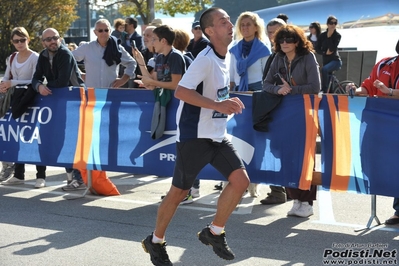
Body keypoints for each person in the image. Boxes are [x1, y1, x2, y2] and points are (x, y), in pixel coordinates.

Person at [141, 8, 250, 265]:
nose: (230, 24)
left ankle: (214, 232)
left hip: (216, 134)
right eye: (223, 22)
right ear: (210, 31)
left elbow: (215, 94)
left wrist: (226, 101)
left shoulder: (227, 57)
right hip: (194, 135)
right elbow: (181, 92)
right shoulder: (205, 59)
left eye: (229, 20)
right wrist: (219, 105)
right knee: (179, 193)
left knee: (241, 181)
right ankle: (155, 241)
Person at [263, 24, 321, 217]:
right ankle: (295, 199)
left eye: (289, 40)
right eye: (281, 40)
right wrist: (278, 90)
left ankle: (307, 202)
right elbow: (266, 84)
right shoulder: (277, 58)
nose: (285, 43)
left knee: (305, 158)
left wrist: (291, 90)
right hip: (283, 113)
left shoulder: (308, 57)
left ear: (297, 42)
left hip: (305, 112)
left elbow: (315, 86)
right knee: (285, 158)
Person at [346, 40, 399, 226]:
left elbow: (386, 90)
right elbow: (368, 86)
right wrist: (356, 89)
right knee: (388, 164)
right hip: (382, 125)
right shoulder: (385, 63)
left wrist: (390, 91)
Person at [31, 28, 86, 190]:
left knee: (72, 139)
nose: (52, 41)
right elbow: (36, 77)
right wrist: (38, 85)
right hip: (58, 100)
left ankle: (79, 178)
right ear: (43, 42)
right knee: (59, 138)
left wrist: (43, 86)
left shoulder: (65, 54)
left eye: (55, 38)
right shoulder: (42, 56)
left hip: (75, 99)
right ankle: (70, 178)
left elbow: (62, 82)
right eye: (48, 39)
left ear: (60, 39)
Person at [229, 11, 271, 197]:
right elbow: (230, 77)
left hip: (257, 96)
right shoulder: (234, 49)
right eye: (242, 24)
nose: (245, 27)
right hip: (238, 95)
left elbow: (266, 78)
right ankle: (236, 180)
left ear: (256, 27)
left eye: (248, 24)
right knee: (237, 140)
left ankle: (254, 182)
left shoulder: (263, 49)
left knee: (255, 141)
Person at [0, 27, 47, 188]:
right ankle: (19, 174)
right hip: (15, 99)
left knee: (36, 137)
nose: (19, 43)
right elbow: (7, 76)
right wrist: (4, 85)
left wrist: (11, 83)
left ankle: (41, 176)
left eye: (22, 40)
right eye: (16, 41)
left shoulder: (35, 57)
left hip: (32, 99)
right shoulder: (12, 58)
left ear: (28, 39)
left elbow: (34, 80)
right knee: (16, 136)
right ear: (12, 42)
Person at [260, 17, 288, 205]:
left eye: (277, 32)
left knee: (283, 151)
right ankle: (280, 189)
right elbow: (266, 83)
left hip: (286, 108)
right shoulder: (274, 55)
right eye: (270, 32)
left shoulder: (290, 55)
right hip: (273, 107)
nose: (273, 36)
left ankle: (283, 190)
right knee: (275, 150)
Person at [71, 19, 136, 89]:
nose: (104, 33)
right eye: (100, 30)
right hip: (91, 92)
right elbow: (69, 59)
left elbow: (131, 63)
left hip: (110, 92)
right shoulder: (87, 47)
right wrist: (79, 74)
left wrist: (123, 80)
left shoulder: (117, 48)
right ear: (95, 32)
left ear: (110, 31)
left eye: (106, 30)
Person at [316, 15, 342, 93]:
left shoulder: (337, 36)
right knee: (327, 79)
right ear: (327, 24)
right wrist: (324, 52)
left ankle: (323, 90)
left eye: (335, 23)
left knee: (324, 69)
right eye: (331, 23)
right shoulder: (322, 36)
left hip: (335, 61)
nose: (333, 25)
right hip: (326, 61)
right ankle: (329, 92)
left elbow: (332, 49)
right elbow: (317, 48)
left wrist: (329, 37)